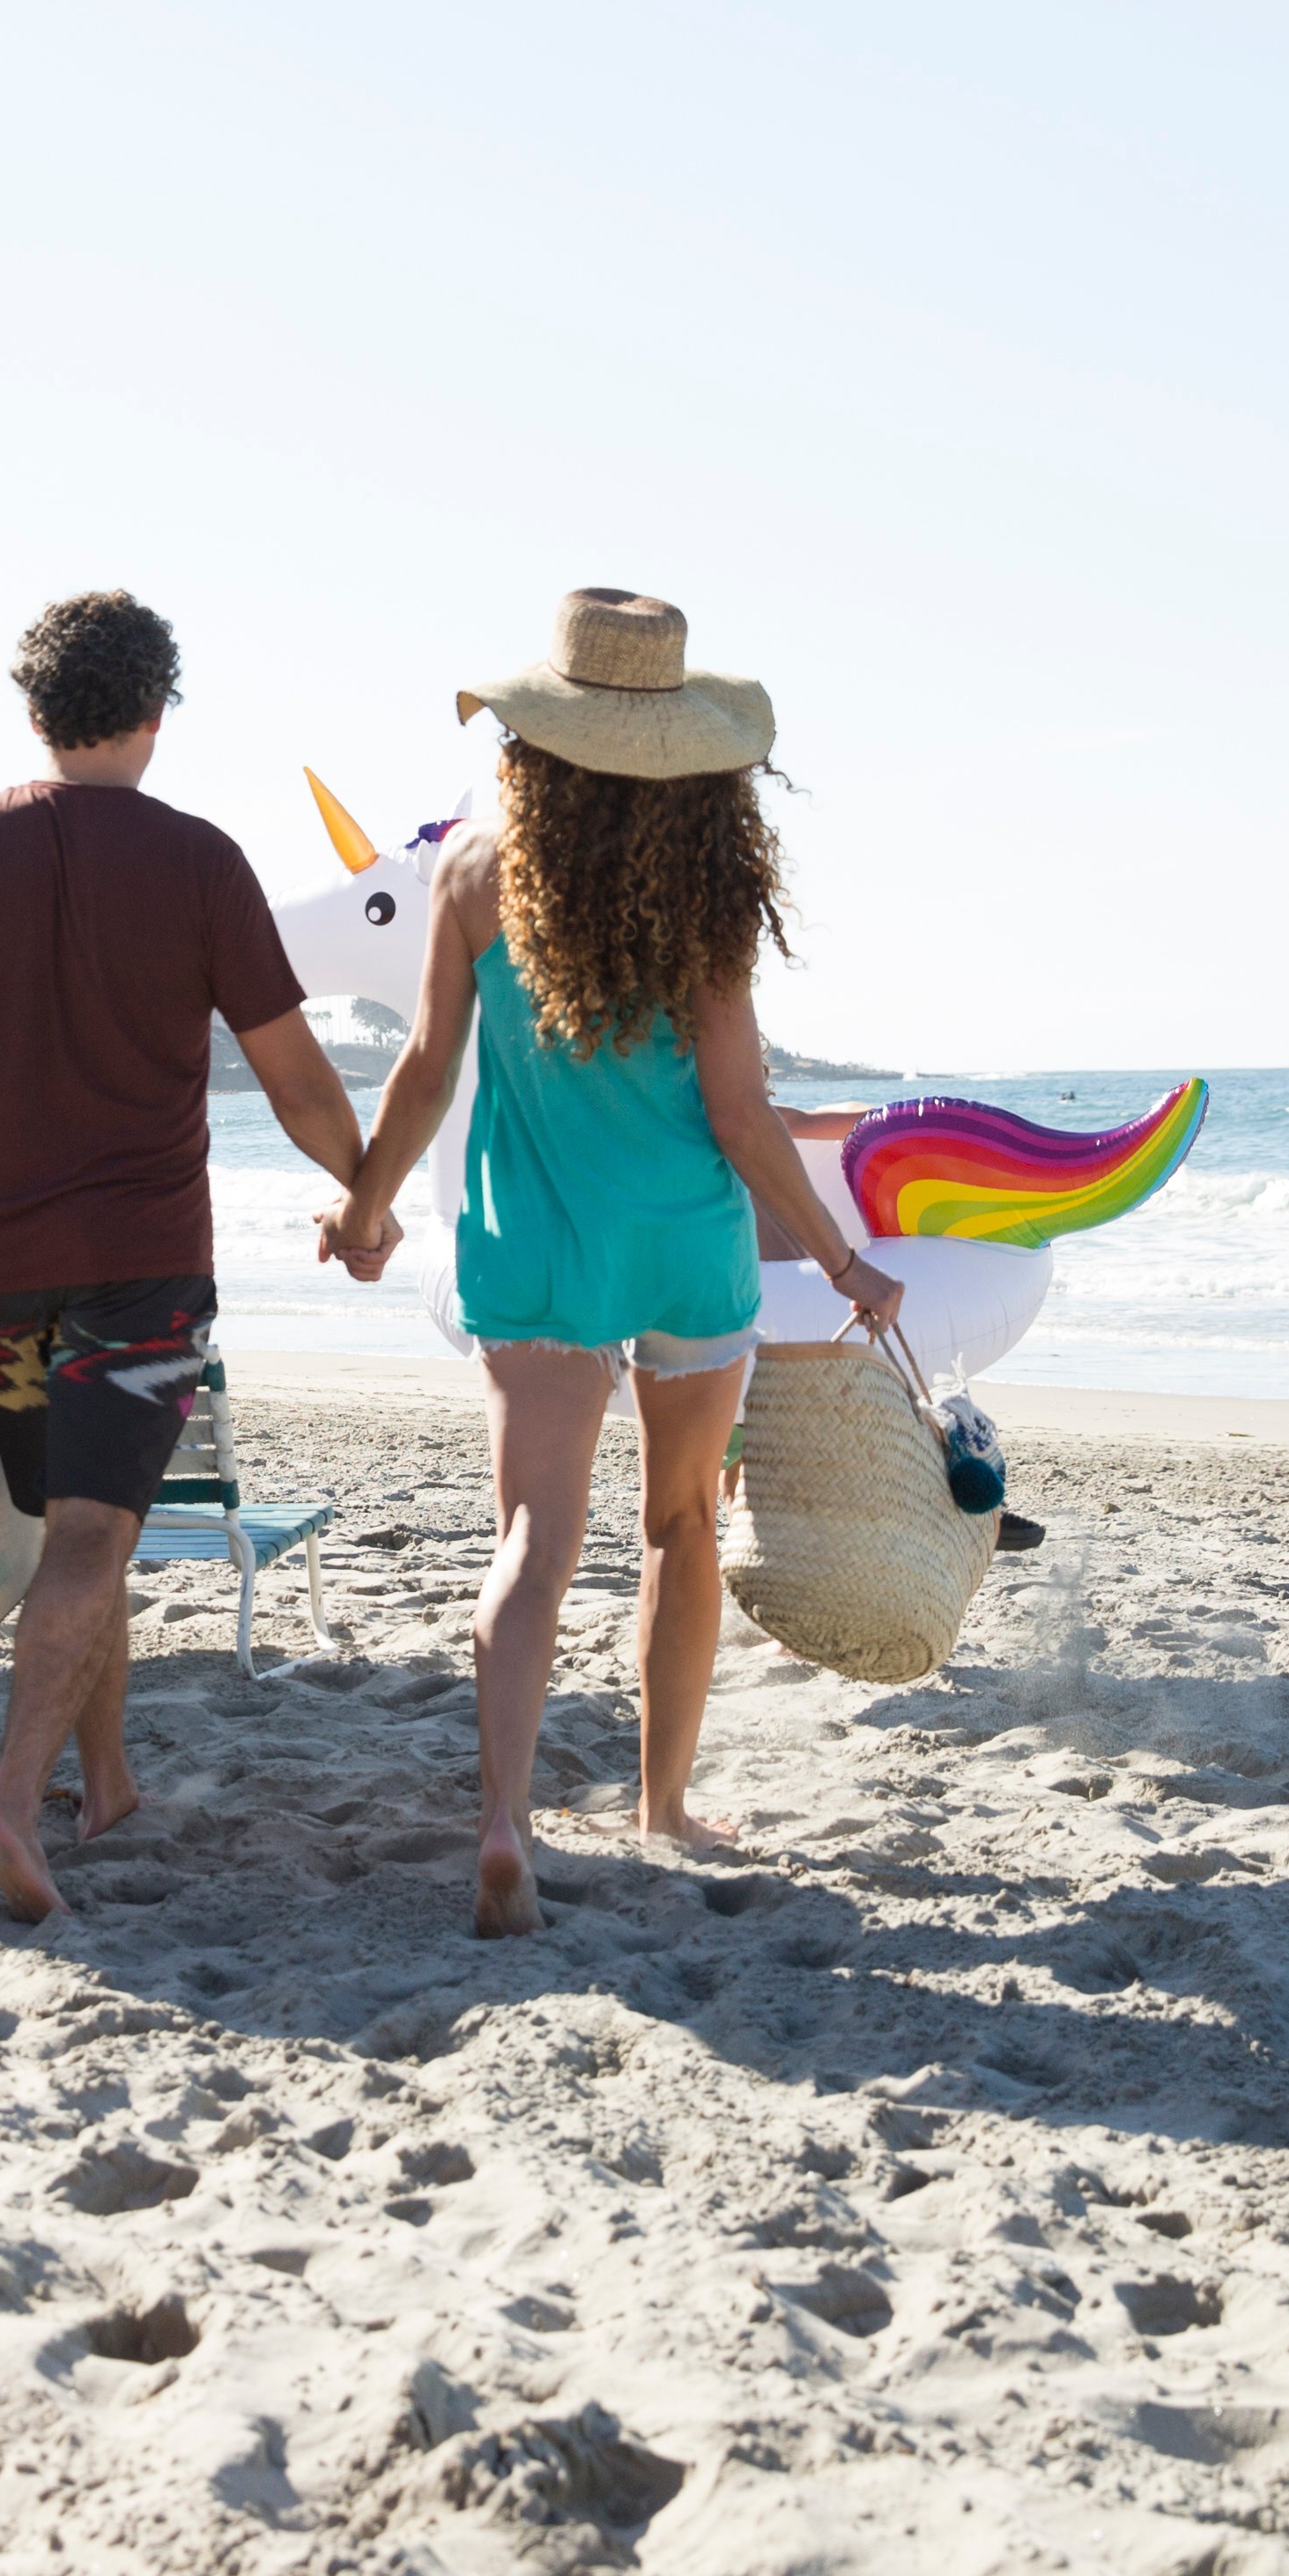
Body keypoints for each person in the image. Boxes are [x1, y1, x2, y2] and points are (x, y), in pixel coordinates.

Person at [327, 590, 900, 1940]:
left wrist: (365, 1211)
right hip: (686, 1247)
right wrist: (843, 1261)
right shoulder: (709, 897)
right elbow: (742, 1119)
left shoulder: (473, 873)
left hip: (534, 1245)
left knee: (534, 1535)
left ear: (540, 736)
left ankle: (505, 1825)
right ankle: (660, 1809)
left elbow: (422, 1072)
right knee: (681, 1525)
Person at [0, 589, 393, 1925]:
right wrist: (365, 1198)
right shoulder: (200, 863)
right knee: (93, 1534)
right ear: (156, 714)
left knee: (73, 1532)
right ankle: (13, 1807)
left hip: (0, 1266)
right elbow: (300, 1082)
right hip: (140, 1267)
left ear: (37, 714)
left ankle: (111, 1781)